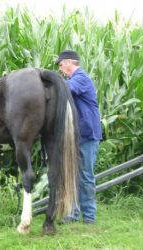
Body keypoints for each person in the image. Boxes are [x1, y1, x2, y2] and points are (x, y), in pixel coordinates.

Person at [57, 50, 102, 224]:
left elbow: (66, 89)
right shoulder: (72, 79)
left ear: (69, 62)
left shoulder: (81, 78)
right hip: (75, 136)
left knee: (86, 176)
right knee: (72, 175)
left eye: (61, 65)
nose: (61, 69)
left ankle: (89, 217)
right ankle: (72, 214)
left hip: (88, 135)